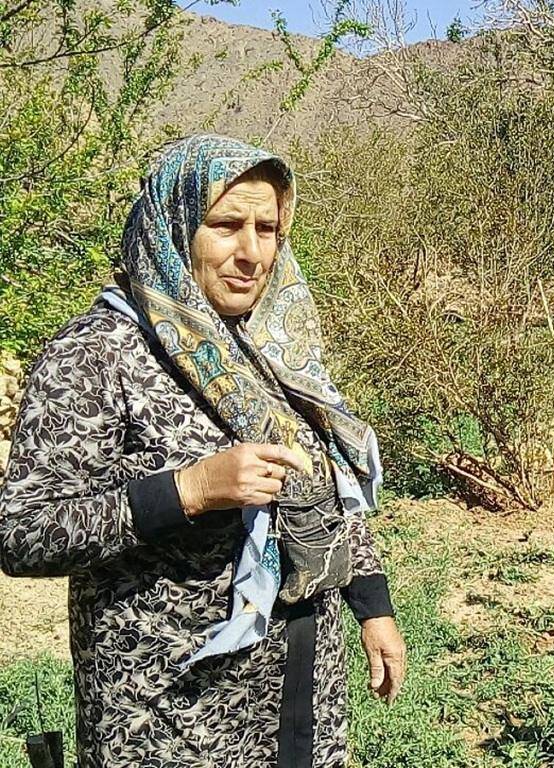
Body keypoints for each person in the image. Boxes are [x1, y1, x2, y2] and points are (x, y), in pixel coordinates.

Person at [0, 135, 406, 768]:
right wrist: (188, 491)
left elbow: (326, 484)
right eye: (225, 225)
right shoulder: (96, 355)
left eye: (267, 228)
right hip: (168, 715)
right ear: (174, 224)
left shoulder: (275, 348)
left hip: (299, 696)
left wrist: (371, 605)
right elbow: (24, 534)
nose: (252, 253)